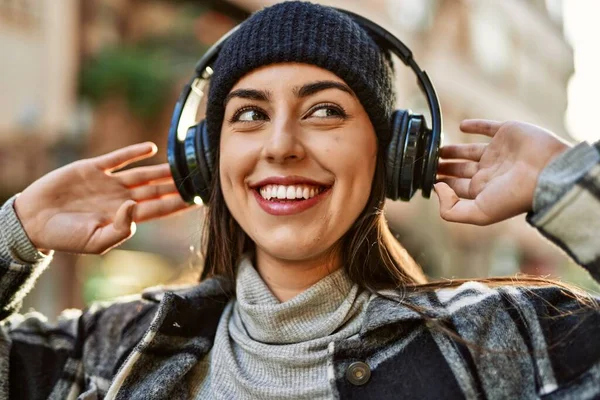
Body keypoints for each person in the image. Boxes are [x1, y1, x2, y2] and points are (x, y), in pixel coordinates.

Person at [1, 2, 599, 399]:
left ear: (391, 155)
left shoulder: (503, 342)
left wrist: (566, 185)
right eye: (251, 115)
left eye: (324, 110)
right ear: (208, 160)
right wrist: (16, 231)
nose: (281, 146)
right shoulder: (115, 350)